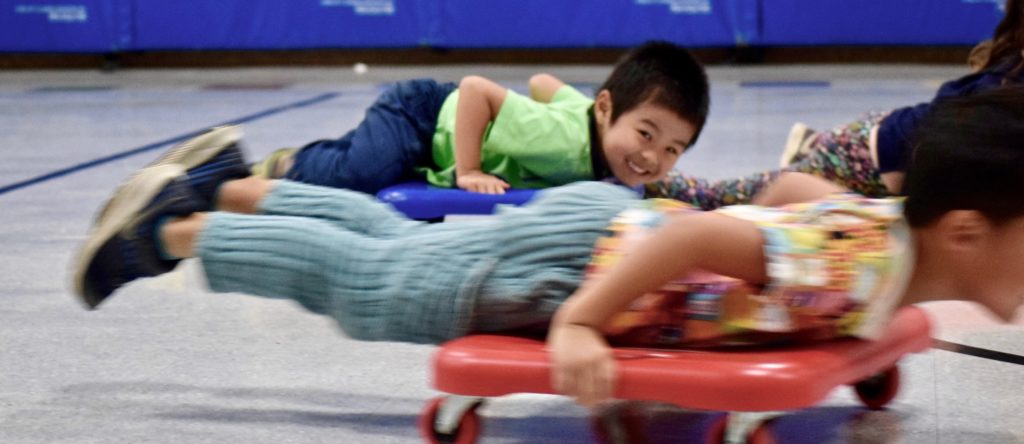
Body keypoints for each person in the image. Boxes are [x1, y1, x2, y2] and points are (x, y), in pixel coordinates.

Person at [73, 87, 1024, 408]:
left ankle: (233, 186)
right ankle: (173, 228)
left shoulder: (876, 228)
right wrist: (576, 325)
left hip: (599, 231)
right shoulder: (862, 265)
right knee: (377, 286)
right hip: (581, 271)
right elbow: (702, 231)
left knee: (390, 242)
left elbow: (785, 193)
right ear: (966, 230)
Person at [646, 0, 1024, 209]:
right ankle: (641, 172)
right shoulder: (1000, 89)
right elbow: (938, 149)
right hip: (863, 158)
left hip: (880, 156)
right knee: (721, 201)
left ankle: (810, 148)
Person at [250, 40, 709, 195]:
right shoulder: (560, 138)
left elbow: (542, 82)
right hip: (421, 118)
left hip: (437, 124)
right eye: (645, 134)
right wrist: (469, 170)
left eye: (673, 149)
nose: (653, 158)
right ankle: (289, 163)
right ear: (605, 108)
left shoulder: (593, 119)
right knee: (362, 174)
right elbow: (475, 89)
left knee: (365, 160)